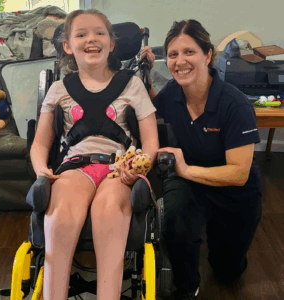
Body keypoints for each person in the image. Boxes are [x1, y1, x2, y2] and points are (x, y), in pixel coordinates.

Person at [30, 9, 159, 300]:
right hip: (74, 167)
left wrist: (139, 169)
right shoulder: (58, 89)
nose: (92, 39)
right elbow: (40, 144)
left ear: (112, 43)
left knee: (110, 210)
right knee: (61, 213)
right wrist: (41, 169)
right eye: (81, 34)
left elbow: (151, 141)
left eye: (100, 33)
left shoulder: (133, 85)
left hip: (119, 168)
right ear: (67, 45)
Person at [141, 19, 262, 299]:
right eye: (173, 54)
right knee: (175, 220)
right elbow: (151, 105)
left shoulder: (236, 105)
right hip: (189, 181)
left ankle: (223, 252)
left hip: (234, 189)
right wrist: (145, 75)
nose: (180, 61)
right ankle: (186, 286)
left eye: (189, 52)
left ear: (207, 55)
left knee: (227, 272)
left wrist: (185, 170)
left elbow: (239, 173)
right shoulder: (173, 92)